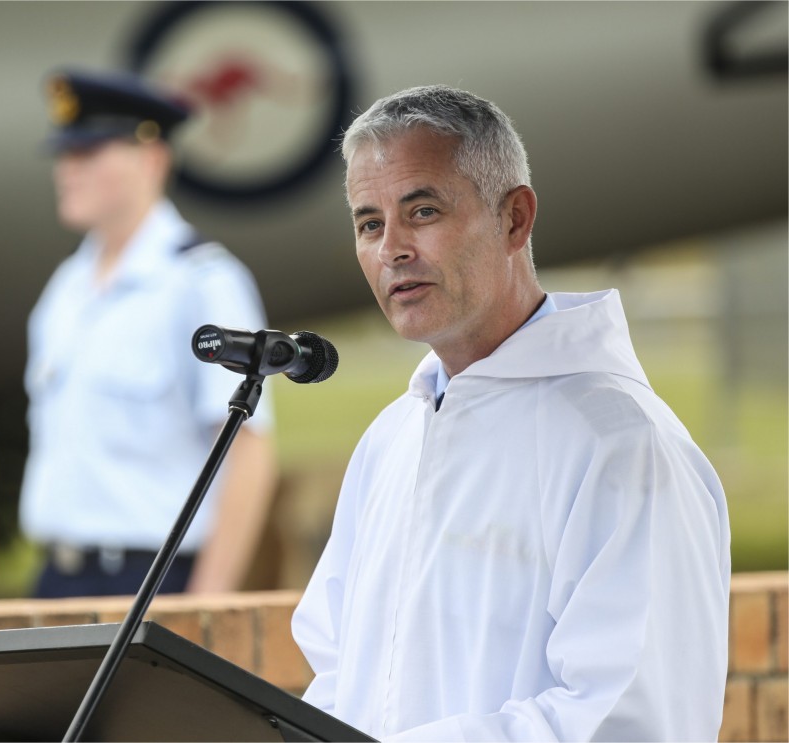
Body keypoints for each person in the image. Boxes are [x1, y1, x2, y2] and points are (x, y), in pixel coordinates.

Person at [291, 85, 731, 741]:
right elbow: (339, 673)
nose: (392, 249)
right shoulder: (391, 438)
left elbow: (629, 716)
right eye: (369, 223)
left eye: (424, 210)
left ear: (515, 219)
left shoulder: (623, 447)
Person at [19, 69, 277, 598]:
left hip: (150, 581)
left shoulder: (202, 282)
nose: (68, 171)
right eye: (65, 156)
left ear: (152, 159)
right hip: (55, 576)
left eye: (89, 154)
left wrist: (208, 603)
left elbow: (249, 451)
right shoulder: (66, 288)